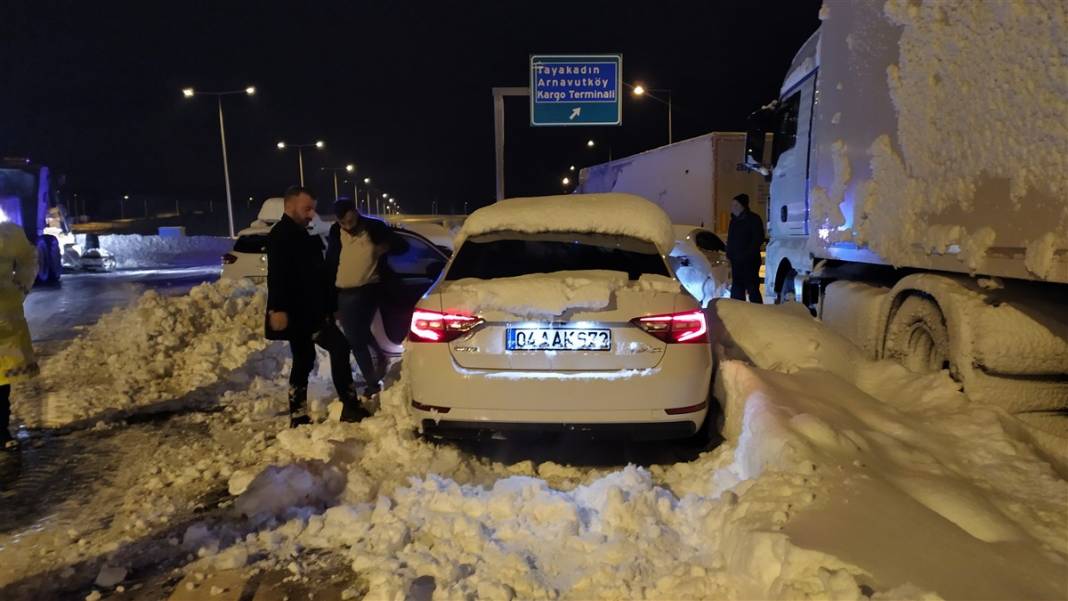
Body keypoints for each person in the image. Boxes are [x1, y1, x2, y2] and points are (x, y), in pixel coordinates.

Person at [265, 186, 369, 426]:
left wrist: (329, 306)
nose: (311, 214)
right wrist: (277, 309)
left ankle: (300, 414)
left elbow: (317, 274)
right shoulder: (281, 235)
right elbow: (276, 275)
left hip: (311, 309)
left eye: (312, 209)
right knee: (337, 348)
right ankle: (346, 406)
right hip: (299, 312)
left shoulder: (300, 233)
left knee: (305, 358)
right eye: (307, 208)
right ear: (289, 206)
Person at [326, 199, 408, 398]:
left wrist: (386, 246)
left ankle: (372, 383)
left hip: (369, 289)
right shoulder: (335, 231)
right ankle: (380, 357)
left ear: (356, 212)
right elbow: (331, 261)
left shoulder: (374, 227)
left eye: (350, 221)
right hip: (344, 291)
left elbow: (402, 245)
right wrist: (329, 294)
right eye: (343, 223)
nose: (347, 227)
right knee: (359, 332)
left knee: (355, 338)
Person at [0, 222, 39, 452]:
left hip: (3, 317)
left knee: (1, 380)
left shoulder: (7, 234)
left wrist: (20, 287)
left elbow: (28, 257)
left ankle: (1, 431)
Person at [726, 193, 765, 303]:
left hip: (750, 261)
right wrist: (729, 254)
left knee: (752, 287)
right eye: (732, 205)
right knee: (737, 288)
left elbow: (757, 239)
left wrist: (747, 254)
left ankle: (757, 309)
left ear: (743, 206)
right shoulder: (733, 221)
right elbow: (731, 239)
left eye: (736, 205)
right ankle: (737, 309)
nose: (733, 208)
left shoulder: (754, 219)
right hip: (736, 261)